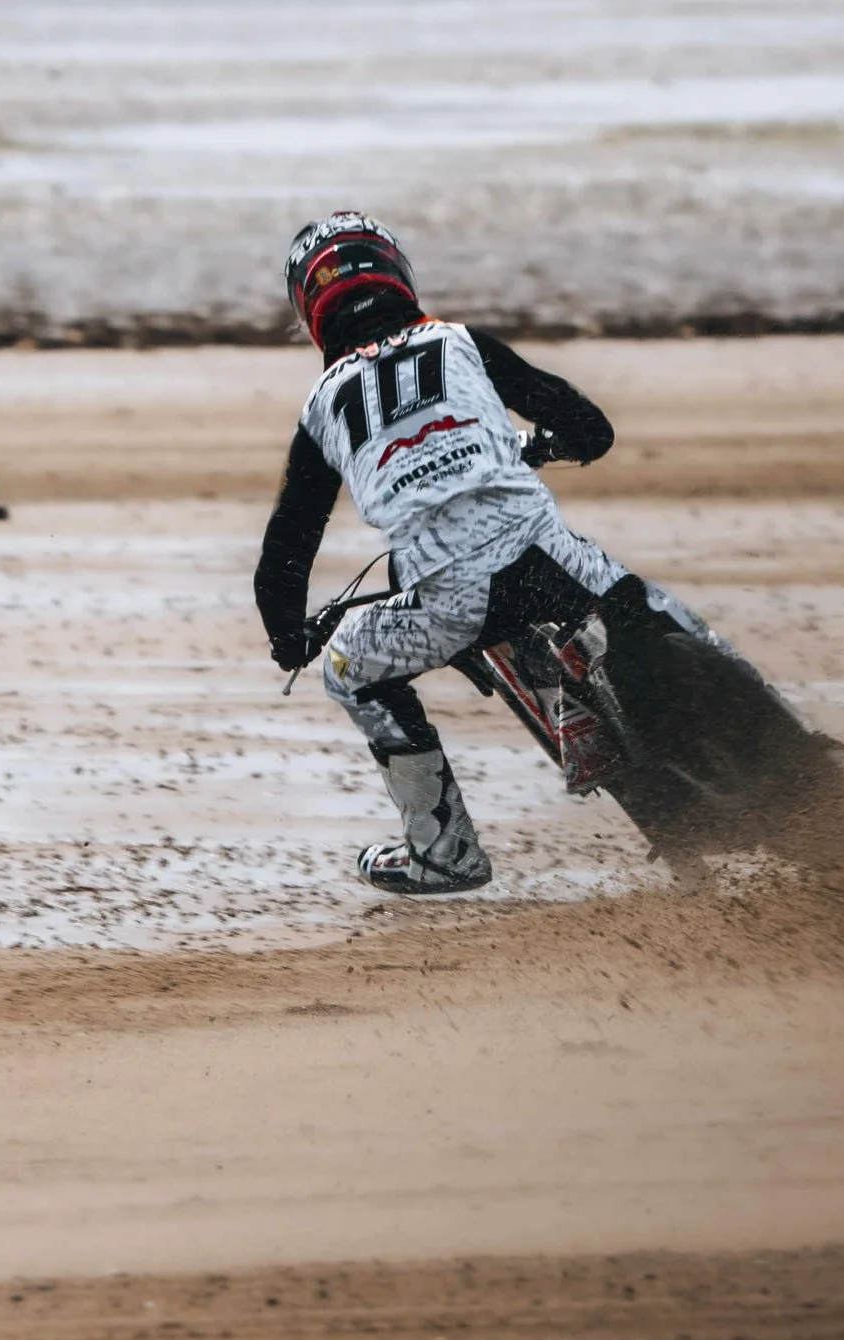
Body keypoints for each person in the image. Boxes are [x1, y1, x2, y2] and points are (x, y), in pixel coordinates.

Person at [254, 211, 640, 896]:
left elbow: (287, 548)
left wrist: (291, 637)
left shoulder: (324, 405)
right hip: (552, 560)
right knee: (647, 607)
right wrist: (552, 446)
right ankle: (783, 739)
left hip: (449, 601)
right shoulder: (458, 341)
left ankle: (444, 853)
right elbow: (590, 428)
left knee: (349, 669)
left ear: (310, 308)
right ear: (395, 272)